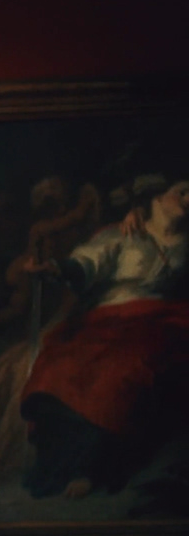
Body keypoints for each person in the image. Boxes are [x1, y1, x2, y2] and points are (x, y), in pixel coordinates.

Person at [19, 175, 189, 501]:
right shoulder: (121, 234)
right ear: (155, 198)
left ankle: (93, 467)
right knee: (58, 366)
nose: (188, 200)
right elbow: (87, 263)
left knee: (123, 367)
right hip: (108, 319)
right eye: (181, 192)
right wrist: (55, 268)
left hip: (160, 321)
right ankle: (60, 462)